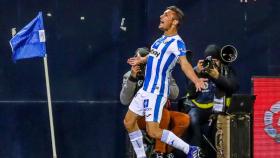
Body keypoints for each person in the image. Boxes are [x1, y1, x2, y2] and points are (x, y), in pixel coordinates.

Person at [123, 6, 206, 158]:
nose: (161, 16)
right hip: (145, 90)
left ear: (174, 22)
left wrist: (196, 79)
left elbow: (184, 64)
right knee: (128, 122)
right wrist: (142, 59)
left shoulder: (177, 43)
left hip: (157, 91)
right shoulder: (161, 39)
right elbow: (154, 55)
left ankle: (191, 150)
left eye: (166, 15)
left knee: (153, 131)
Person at [120, 47, 190, 158]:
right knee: (164, 115)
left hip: (158, 109)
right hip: (140, 116)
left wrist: (162, 82)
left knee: (183, 120)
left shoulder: (161, 72)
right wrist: (133, 78)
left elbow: (175, 94)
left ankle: (168, 150)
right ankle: (159, 152)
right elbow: (124, 100)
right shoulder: (129, 75)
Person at [184, 44, 239, 156]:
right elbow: (191, 93)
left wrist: (217, 76)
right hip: (200, 108)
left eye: (215, 61)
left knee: (218, 125)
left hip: (220, 108)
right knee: (192, 119)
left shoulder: (226, 70)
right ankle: (197, 152)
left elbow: (233, 87)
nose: (212, 64)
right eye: (210, 61)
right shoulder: (199, 70)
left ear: (220, 60)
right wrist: (196, 74)